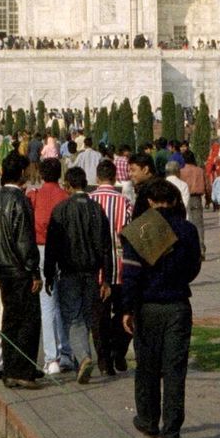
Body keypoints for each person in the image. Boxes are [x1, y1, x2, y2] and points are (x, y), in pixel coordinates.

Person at [119, 179, 201, 438]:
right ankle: (172, 433)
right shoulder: (188, 230)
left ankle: (148, 420)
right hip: (178, 304)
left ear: (151, 202)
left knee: (148, 366)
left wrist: (127, 308)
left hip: (147, 306)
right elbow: (193, 268)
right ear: (175, 200)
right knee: (175, 370)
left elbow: (130, 274)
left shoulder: (141, 228)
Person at [45, 164, 113, 383]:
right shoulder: (96, 209)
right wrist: (107, 278)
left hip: (70, 271)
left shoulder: (62, 209)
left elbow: (52, 245)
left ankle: (83, 357)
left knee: (73, 318)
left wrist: (48, 273)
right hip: (92, 272)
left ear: (68, 185)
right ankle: (83, 357)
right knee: (84, 316)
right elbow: (106, 247)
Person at [0, 152, 45, 388]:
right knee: (28, 322)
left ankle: (11, 369)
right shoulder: (20, 201)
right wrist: (34, 271)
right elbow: (24, 241)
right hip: (20, 269)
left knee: (10, 320)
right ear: (21, 174)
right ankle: (23, 370)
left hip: (2, 269)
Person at [90, 158, 135, 377]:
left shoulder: (90, 200)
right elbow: (130, 232)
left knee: (99, 316)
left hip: (97, 269)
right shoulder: (125, 202)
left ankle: (105, 359)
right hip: (121, 265)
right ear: (115, 177)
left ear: (97, 178)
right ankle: (119, 348)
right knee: (124, 311)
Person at [29, 158, 70, 374]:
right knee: (63, 303)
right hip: (64, 251)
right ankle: (66, 353)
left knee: (47, 304)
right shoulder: (65, 196)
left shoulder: (35, 195)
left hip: (42, 249)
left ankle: (51, 357)